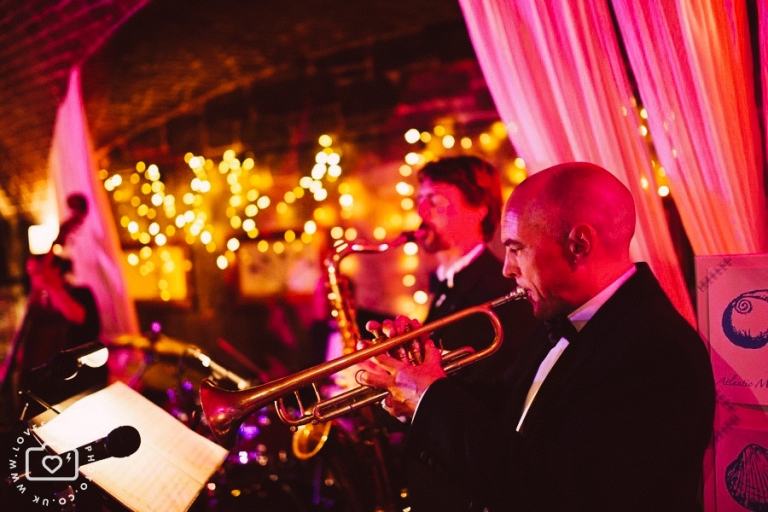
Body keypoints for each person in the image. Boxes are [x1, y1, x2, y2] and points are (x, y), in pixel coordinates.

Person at [359, 162, 716, 511]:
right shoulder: (565, 316)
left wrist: (432, 400)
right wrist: (418, 385)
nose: (507, 268)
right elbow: (511, 405)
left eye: (516, 249)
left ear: (579, 244)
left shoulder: (657, 351)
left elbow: (559, 490)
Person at [399, 156, 539, 511]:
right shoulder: (447, 289)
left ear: (478, 210)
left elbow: (493, 403)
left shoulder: (499, 293)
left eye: (435, 200)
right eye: (419, 200)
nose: (421, 211)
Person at [0, 254, 101, 421]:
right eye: (31, 273)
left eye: (38, 272)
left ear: (55, 269)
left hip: (79, 381)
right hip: (47, 382)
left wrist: (50, 285)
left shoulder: (81, 293)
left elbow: (78, 317)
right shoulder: (39, 304)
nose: (34, 279)